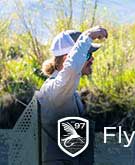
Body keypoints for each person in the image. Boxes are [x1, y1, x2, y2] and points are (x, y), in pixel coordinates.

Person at [36, 26, 108, 165]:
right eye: (87, 55)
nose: (92, 59)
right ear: (66, 59)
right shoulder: (55, 92)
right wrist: (87, 36)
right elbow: (72, 69)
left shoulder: (68, 93)